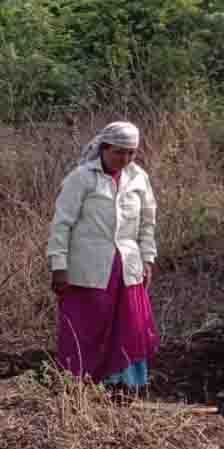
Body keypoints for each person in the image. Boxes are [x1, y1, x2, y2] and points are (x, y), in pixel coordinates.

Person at [48, 121, 158, 396]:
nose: (125, 159)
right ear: (104, 148)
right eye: (119, 152)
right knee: (87, 327)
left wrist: (147, 259)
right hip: (87, 267)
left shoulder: (138, 178)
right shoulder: (81, 177)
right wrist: (58, 265)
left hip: (127, 267)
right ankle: (81, 387)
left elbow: (147, 224)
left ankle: (123, 385)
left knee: (130, 325)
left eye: (131, 153)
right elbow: (62, 224)